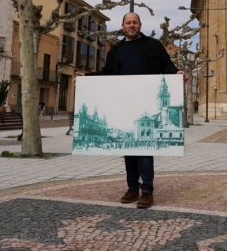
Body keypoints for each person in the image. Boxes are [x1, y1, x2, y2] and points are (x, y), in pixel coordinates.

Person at [76, 12, 186, 209]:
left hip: (147, 101)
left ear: (140, 24)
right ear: (123, 25)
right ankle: (132, 187)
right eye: (128, 23)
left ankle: (148, 191)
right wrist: (87, 78)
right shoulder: (116, 50)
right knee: (129, 149)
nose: (132, 25)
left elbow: (167, 65)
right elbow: (107, 74)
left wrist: (176, 73)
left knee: (144, 148)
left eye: (135, 22)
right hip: (124, 103)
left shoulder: (154, 45)